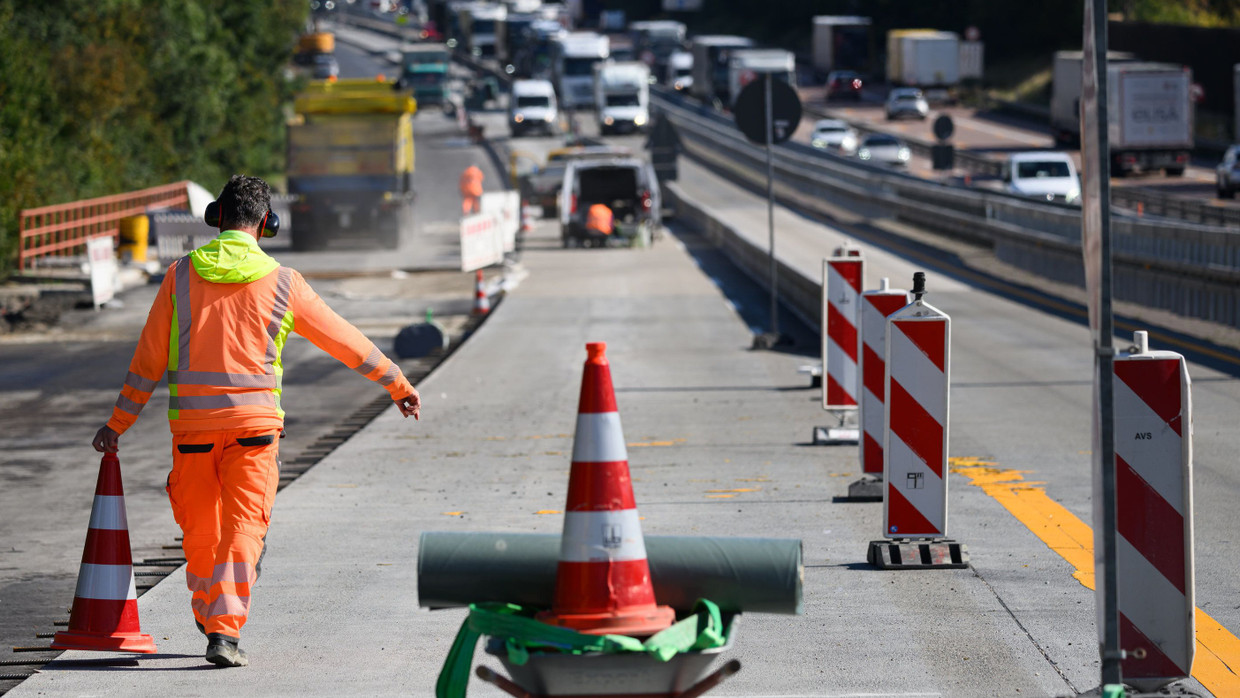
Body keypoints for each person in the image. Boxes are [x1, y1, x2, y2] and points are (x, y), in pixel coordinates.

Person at [91, 175, 421, 668]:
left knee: (201, 531)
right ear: (267, 224)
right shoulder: (285, 283)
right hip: (255, 432)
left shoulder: (180, 277)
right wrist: (396, 381)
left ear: (216, 218)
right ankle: (223, 629)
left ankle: (212, 614)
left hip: (193, 435)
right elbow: (343, 340)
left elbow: (147, 361)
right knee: (245, 529)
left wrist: (118, 423)